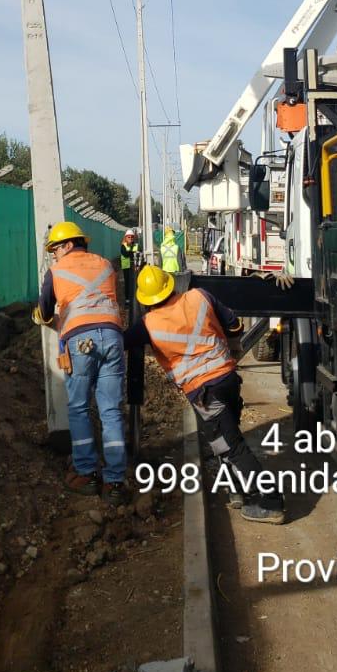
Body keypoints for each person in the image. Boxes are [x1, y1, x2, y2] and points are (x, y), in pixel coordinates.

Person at [124, 265, 284, 523]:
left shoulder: (147, 324)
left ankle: (271, 501)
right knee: (224, 440)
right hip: (228, 380)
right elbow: (234, 325)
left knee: (232, 446)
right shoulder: (199, 296)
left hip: (206, 393)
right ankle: (237, 491)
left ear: (146, 299)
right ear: (170, 284)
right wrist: (231, 347)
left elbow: (121, 341)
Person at [34, 221, 127, 503]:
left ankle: (86, 473)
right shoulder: (105, 265)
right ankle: (115, 482)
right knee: (111, 411)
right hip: (112, 337)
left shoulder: (56, 271)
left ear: (69, 245)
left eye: (55, 248)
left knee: (79, 408)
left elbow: (44, 310)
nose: (53, 255)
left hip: (80, 341)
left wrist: (46, 319)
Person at [119, 228, 139, 305]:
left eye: (132, 237)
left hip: (134, 266)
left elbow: (134, 253)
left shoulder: (135, 245)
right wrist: (131, 252)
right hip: (126, 267)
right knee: (127, 283)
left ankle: (134, 298)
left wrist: (131, 252)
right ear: (125, 237)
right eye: (128, 237)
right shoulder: (123, 245)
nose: (130, 238)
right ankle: (127, 299)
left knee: (134, 282)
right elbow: (126, 254)